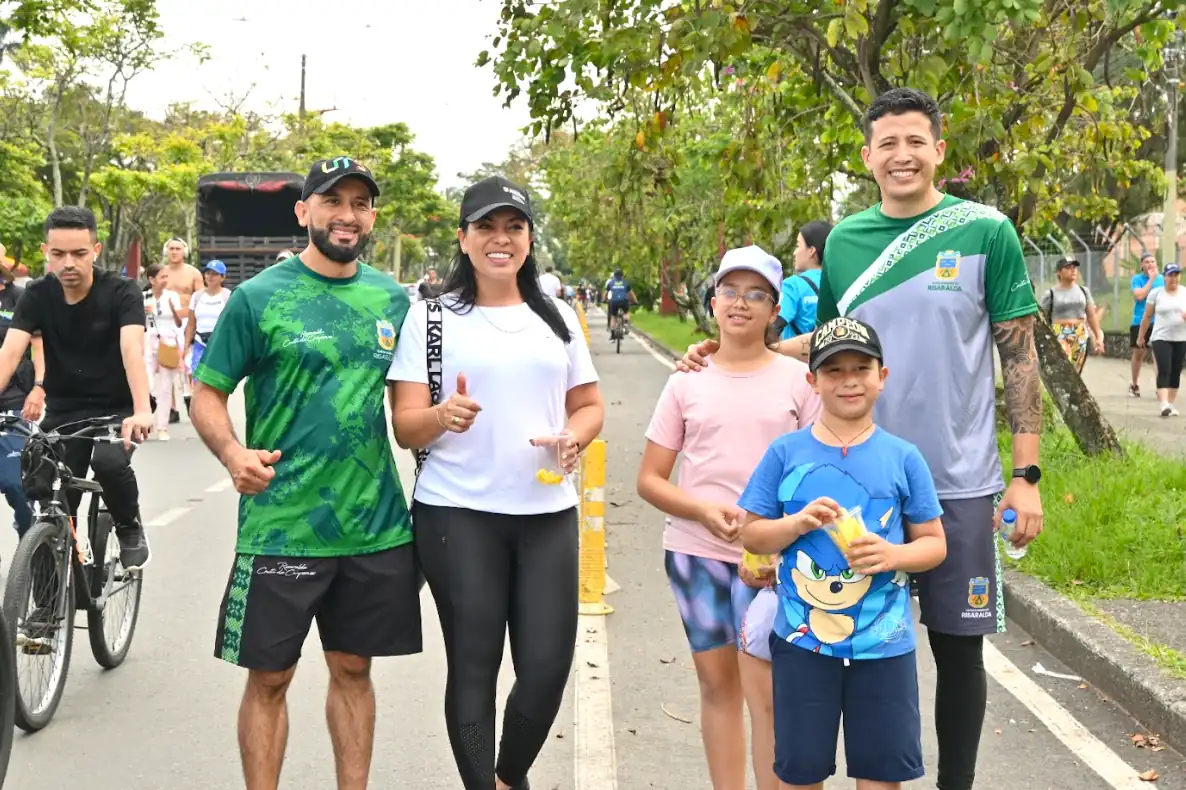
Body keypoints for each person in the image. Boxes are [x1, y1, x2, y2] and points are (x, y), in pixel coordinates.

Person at [679, 87, 1044, 790]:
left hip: (958, 479)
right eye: (888, 143)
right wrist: (731, 348)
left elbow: (1019, 354)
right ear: (868, 156)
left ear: (939, 151)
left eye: (916, 141)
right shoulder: (845, 241)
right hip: (855, 477)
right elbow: (829, 343)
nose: (902, 155)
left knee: (959, 654)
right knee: (846, 641)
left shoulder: (985, 230)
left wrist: (1026, 480)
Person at [191, 156, 422, 790]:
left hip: (372, 525)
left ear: (371, 216)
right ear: (304, 211)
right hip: (282, 525)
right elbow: (206, 393)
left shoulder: (391, 299)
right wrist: (233, 454)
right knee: (270, 678)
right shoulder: (257, 297)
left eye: (360, 203)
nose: (346, 215)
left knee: (353, 669)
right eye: (332, 201)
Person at [388, 175, 604, 790]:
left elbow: (588, 406)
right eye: (486, 227)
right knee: (474, 667)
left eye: (514, 226)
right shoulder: (431, 317)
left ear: (530, 239)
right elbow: (406, 427)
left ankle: (509, 776)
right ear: (463, 238)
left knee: (545, 666)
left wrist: (574, 437)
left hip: (546, 515)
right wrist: (440, 416)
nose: (500, 239)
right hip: (458, 516)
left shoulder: (558, 317)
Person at [637, 245, 820, 790]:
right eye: (730, 291)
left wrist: (779, 533)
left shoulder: (797, 381)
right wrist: (701, 509)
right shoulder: (686, 380)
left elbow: (816, 470)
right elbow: (650, 479)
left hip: (774, 561)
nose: (741, 304)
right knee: (717, 688)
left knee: (766, 694)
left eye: (756, 294)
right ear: (713, 301)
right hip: (696, 556)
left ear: (774, 310)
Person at [739, 316, 947, 790]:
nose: (848, 381)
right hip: (801, 645)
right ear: (811, 381)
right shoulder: (785, 453)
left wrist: (893, 555)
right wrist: (795, 524)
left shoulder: (903, 457)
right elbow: (752, 536)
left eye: (860, 368)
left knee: (880, 776)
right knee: (800, 773)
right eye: (833, 371)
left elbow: (934, 544)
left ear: (882, 376)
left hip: (885, 646)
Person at [0, 206, 153, 569]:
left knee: (109, 463)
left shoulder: (122, 291)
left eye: (79, 253)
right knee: (43, 490)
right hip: (64, 410)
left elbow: (132, 350)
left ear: (96, 250)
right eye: (59, 254)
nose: (69, 263)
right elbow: (9, 354)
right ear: (45, 252)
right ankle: (48, 597)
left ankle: (129, 526)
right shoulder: (37, 294)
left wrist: (142, 408)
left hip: (117, 407)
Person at [0, 266, 44, 538]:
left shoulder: (19, 298)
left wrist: (39, 388)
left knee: (18, 485)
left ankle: (33, 547)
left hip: (12, 405)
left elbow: (39, 347)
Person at [1137, 262, 1186, 417]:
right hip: (1161, 337)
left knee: (1176, 371)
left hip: (1181, 337)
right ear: (1164, 277)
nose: (1173, 278)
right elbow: (1147, 317)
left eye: (1176, 275)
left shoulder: (1184, 292)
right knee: (1164, 368)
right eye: (1170, 275)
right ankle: (1163, 403)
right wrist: (1140, 336)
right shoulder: (1156, 293)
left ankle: (1170, 404)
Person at [1039, 258, 1103, 374]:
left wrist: (1098, 336)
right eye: (1068, 268)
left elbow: (1091, 316)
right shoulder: (1050, 294)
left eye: (1074, 268)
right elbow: (1042, 318)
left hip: (1080, 333)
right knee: (1063, 368)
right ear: (1059, 272)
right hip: (1060, 333)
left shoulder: (1084, 291)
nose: (1073, 270)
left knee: (1076, 371)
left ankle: (1074, 392)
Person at [772, 220, 831, 342]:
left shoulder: (793, 286)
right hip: (832, 359)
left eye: (798, 246)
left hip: (797, 358)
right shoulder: (839, 284)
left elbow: (774, 327)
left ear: (811, 251)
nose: (794, 253)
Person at [144, 264, 183, 441]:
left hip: (168, 342)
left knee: (166, 387)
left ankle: (162, 427)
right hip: (148, 341)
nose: (165, 281)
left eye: (167, 277)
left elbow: (179, 323)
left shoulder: (172, 297)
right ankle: (145, 421)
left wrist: (174, 310)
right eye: (162, 277)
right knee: (147, 383)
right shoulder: (143, 297)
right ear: (151, 280)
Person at [186, 260, 232, 373]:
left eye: (215, 274)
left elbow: (233, 324)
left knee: (218, 380)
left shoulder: (228, 296)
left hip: (220, 344)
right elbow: (191, 324)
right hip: (199, 343)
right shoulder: (197, 296)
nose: (210, 277)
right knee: (197, 377)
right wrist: (186, 347)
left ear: (223, 277)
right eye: (208, 273)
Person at [1130, 252, 1164, 397]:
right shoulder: (1137, 279)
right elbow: (1139, 295)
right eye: (1147, 262)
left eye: (1153, 261)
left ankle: (1160, 387)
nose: (1151, 264)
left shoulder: (1162, 279)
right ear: (1142, 265)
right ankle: (1134, 384)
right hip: (1140, 321)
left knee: (1158, 354)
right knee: (1139, 353)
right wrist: (1150, 280)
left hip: (1159, 321)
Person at [605, 268, 633, 332]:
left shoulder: (611, 283)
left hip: (614, 301)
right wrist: (634, 301)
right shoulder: (625, 283)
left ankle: (612, 331)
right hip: (624, 301)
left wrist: (604, 299)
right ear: (622, 276)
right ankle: (625, 323)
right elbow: (631, 294)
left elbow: (606, 293)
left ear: (614, 276)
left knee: (613, 316)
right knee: (626, 312)